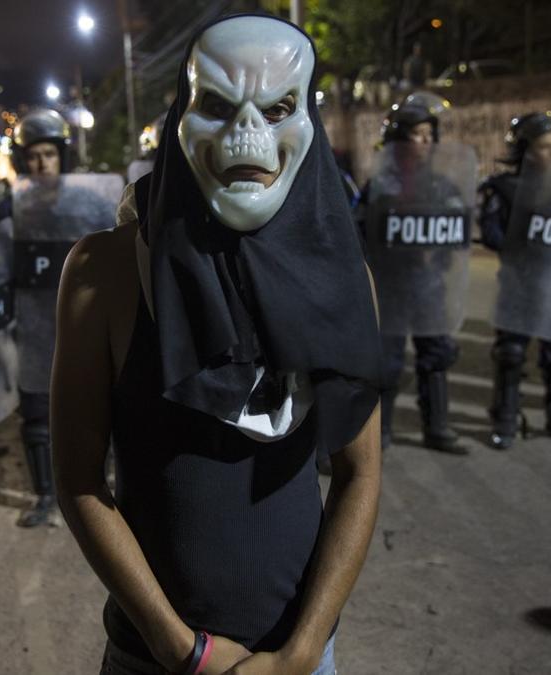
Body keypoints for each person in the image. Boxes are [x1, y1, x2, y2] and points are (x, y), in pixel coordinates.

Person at [54, 14, 381, 674]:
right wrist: (185, 650)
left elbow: (360, 472)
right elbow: (79, 481)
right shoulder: (106, 273)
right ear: (181, 115)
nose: (246, 135)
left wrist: (303, 650)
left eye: (279, 107)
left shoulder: (346, 279)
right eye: (217, 106)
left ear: (308, 122)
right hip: (157, 657)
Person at [8, 109, 117, 527]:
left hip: (85, 325)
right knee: (36, 418)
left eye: (49, 155)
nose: (41, 164)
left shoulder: (90, 202)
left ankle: (98, 488)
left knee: (95, 411)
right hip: (34, 327)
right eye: (33, 156)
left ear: (62, 157)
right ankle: (44, 496)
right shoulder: (12, 208)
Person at [364, 91, 469, 454]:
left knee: (436, 353)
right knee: (388, 359)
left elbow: (458, 232)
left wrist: (438, 258)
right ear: (397, 139)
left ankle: (436, 426)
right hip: (390, 284)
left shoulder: (442, 186)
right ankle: (382, 430)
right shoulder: (379, 186)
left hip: (428, 285)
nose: (425, 141)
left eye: (429, 134)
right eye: (416, 134)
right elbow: (363, 233)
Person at [478, 112, 551, 448]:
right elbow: (491, 233)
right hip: (519, 283)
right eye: (544, 147)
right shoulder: (504, 189)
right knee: (511, 353)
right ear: (525, 150)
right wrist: (524, 246)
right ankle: (506, 419)